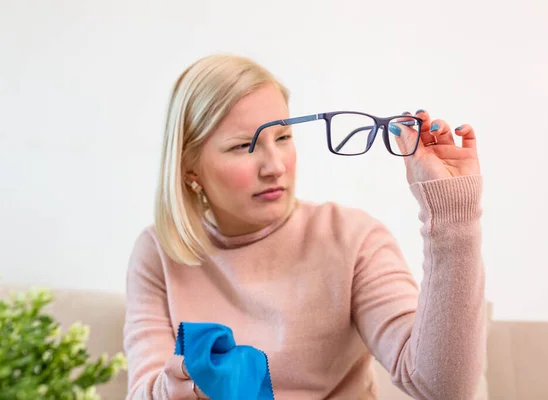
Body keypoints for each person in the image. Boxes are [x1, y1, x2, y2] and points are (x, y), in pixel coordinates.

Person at [123, 53, 486, 400]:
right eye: (242, 147)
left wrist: (454, 215)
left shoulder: (353, 239)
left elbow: (443, 389)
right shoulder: (158, 252)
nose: (275, 166)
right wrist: (183, 384)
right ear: (190, 169)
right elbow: (144, 391)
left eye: (283, 138)